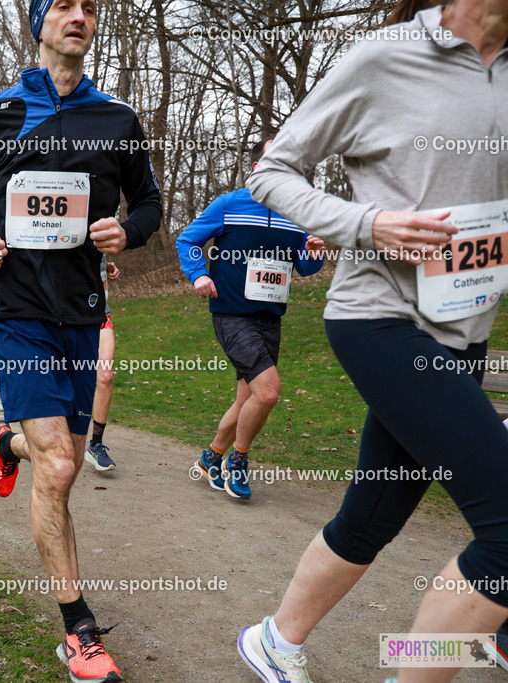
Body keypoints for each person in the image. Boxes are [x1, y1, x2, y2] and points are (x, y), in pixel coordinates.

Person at [233, 3, 508, 682]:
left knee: (371, 515)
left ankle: (274, 639)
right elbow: (272, 172)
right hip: (381, 320)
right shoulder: (386, 56)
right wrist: (368, 223)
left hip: (466, 329)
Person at [0, 0, 162, 678]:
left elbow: (150, 203)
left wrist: (128, 231)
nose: (79, 15)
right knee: (63, 467)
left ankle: (3, 440)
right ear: (39, 23)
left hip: (81, 312)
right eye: (64, 5)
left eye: (89, 7)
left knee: (56, 461)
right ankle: (79, 629)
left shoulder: (117, 119)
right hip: (14, 310)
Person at [176, 139, 325, 500]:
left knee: (247, 399)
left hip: (270, 317)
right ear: (257, 167)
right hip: (231, 314)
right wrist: (198, 275)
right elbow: (187, 240)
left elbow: (305, 266)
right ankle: (238, 461)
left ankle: (211, 457)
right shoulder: (230, 204)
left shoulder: (297, 212)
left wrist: (314, 253)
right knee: (268, 391)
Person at [85, 257, 120, 471]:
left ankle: (96, 444)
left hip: (99, 314)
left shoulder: (101, 241)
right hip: (67, 316)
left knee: (106, 376)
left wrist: (107, 266)